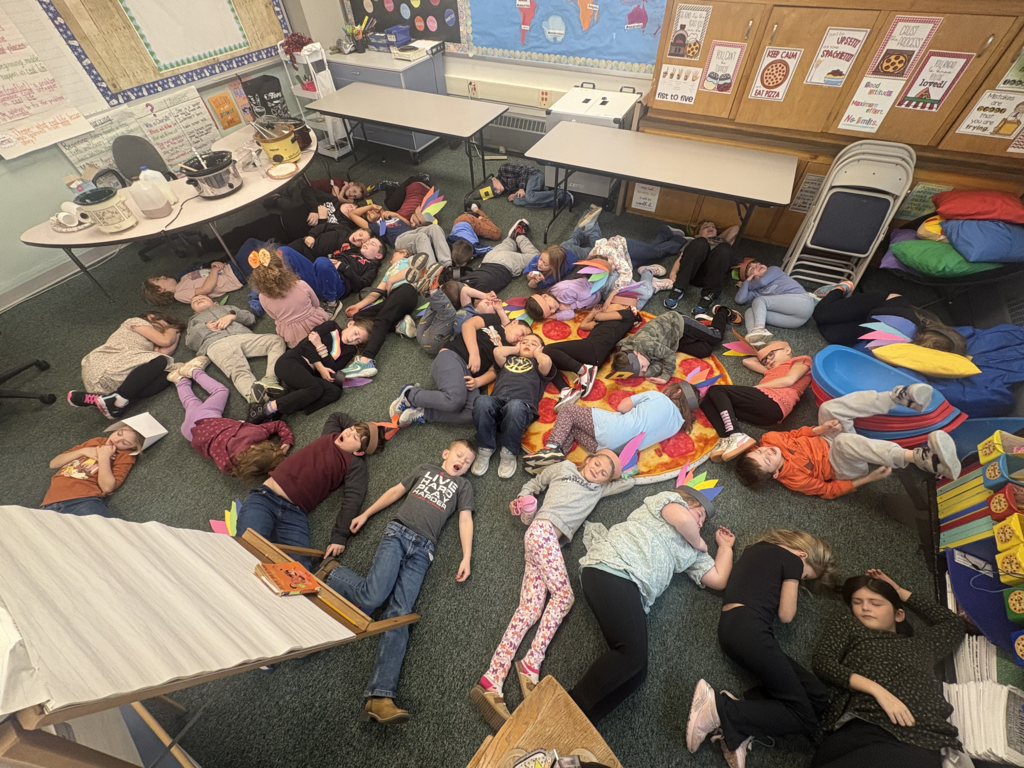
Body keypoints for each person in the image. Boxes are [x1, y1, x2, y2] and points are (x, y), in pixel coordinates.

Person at [317, 438, 477, 724]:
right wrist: (366, 514)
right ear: (445, 452)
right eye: (459, 455)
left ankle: (381, 696)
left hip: (424, 550)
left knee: (399, 617)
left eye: (468, 462)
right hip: (398, 534)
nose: (462, 462)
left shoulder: (463, 487)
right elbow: (395, 492)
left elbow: (465, 520)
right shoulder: (424, 469)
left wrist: (466, 556)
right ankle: (333, 572)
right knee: (371, 599)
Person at [470, 452, 634, 728]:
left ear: (607, 480)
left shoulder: (598, 490)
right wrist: (522, 499)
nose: (598, 470)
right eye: (597, 462)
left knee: (530, 608)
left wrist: (624, 470)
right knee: (564, 597)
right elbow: (536, 483)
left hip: (547, 543)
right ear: (586, 459)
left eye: (605, 471)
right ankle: (531, 662)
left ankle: (492, 678)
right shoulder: (565, 467)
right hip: (541, 531)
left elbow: (627, 483)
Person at [569, 490, 735, 723]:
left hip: (630, 587)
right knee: (632, 656)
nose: (699, 522)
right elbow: (683, 520)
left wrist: (725, 548)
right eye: (699, 514)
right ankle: (565, 709)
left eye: (703, 522)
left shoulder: (692, 551)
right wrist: (699, 541)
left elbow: (719, 579)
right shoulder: (666, 503)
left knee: (637, 674)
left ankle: (580, 724)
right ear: (686, 502)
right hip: (613, 566)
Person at [686, 529, 839, 767]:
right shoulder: (793, 561)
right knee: (805, 719)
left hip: (735, 630)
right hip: (750, 631)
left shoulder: (754, 550)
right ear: (802, 555)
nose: (802, 580)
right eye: (806, 576)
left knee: (818, 697)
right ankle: (721, 708)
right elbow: (786, 615)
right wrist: (795, 578)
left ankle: (738, 718)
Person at [811, 570, 967, 768]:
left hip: (922, 734)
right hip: (865, 722)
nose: (865, 608)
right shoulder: (850, 626)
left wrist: (900, 591)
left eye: (875, 603)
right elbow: (822, 662)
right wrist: (878, 690)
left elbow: (954, 624)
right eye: (857, 602)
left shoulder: (922, 644)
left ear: (899, 614)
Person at [735, 385, 962, 497]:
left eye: (760, 451)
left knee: (829, 408)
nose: (768, 452)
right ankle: (920, 458)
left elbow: (797, 434)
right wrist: (869, 478)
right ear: (775, 473)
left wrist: (821, 428)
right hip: (841, 466)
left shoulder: (769, 439)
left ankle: (899, 398)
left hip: (827, 436)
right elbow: (829, 489)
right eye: (767, 460)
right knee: (844, 443)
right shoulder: (793, 480)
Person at [235, 414, 386, 566]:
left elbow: (353, 498)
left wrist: (340, 536)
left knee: (300, 570)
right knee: (247, 550)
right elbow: (336, 417)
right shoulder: (330, 435)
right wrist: (364, 429)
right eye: (351, 429)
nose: (347, 433)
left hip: (295, 513)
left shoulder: (355, 464)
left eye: (354, 438)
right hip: (265, 498)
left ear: (359, 452)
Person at [524, 383, 696, 474]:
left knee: (568, 411)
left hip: (611, 428)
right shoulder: (677, 425)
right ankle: (555, 460)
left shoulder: (658, 396)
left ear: (678, 392)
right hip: (610, 453)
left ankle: (551, 448)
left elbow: (622, 407)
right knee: (574, 429)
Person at [393, 316, 533, 427]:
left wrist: (478, 381)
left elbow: (494, 371)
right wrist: (474, 353)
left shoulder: (508, 353)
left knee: (474, 412)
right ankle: (410, 394)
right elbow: (468, 325)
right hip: (453, 356)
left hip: (468, 376)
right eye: (522, 333)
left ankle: (425, 413)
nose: (520, 339)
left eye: (524, 340)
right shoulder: (495, 321)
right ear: (514, 323)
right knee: (454, 401)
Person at [170, 362, 294, 481]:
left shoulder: (254, 433)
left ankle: (194, 371)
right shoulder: (228, 466)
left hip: (204, 418)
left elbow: (279, 424)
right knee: (190, 402)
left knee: (220, 391)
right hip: (189, 433)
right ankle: (180, 381)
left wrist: (286, 442)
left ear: (254, 446)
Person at [700, 341, 811, 463]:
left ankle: (736, 434)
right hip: (766, 415)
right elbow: (747, 361)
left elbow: (789, 380)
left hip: (774, 401)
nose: (768, 361)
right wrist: (766, 359)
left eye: (771, 355)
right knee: (708, 401)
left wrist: (756, 388)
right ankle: (727, 438)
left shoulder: (801, 360)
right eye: (764, 361)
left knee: (717, 390)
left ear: (787, 350)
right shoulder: (770, 371)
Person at [247, 319, 373, 424]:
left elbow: (334, 367)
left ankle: (293, 404)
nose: (353, 339)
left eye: (358, 341)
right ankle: (264, 410)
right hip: (290, 362)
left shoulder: (349, 350)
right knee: (316, 389)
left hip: (306, 375)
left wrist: (319, 346)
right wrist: (320, 366)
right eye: (355, 333)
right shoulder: (331, 327)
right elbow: (306, 345)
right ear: (351, 324)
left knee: (335, 391)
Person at [68, 312, 189, 420]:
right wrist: (173, 328)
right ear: (151, 316)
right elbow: (165, 342)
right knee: (161, 362)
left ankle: (110, 401)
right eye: (164, 326)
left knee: (168, 375)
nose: (165, 330)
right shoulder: (134, 322)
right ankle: (119, 400)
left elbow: (161, 353)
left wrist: (176, 336)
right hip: (107, 362)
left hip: (112, 379)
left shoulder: (142, 351)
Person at [472, 334, 555, 479]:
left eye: (533, 343)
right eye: (524, 342)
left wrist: (537, 353)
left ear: (541, 349)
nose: (528, 344)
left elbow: (547, 361)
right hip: (497, 402)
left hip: (521, 407)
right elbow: (498, 352)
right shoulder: (508, 359)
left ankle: (509, 451)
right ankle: (485, 447)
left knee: (515, 406)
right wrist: (516, 349)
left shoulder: (539, 365)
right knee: (482, 401)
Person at [341, 250, 427, 378]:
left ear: (404, 253)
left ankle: (366, 361)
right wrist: (359, 306)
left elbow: (416, 270)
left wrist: (392, 280)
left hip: (406, 291)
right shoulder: (388, 272)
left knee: (381, 320)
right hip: (392, 298)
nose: (391, 260)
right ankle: (398, 323)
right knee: (359, 317)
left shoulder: (407, 260)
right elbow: (376, 293)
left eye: (393, 255)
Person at [184, 295, 285, 404]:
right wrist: (205, 328)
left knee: (276, 340)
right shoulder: (194, 320)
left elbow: (250, 318)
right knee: (237, 369)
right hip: (216, 344)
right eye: (194, 301)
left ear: (215, 303)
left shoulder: (227, 308)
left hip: (243, 336)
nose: (198, 299)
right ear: (195, 313)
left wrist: (232, 316)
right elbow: (190, 342)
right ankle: (253, 395)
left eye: (202, 298)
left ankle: (270, 379)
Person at [812, 288, 968, 353]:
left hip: (873, 322)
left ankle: (842, 309)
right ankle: (839, 289)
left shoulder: (910, 343)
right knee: (821, 315)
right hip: (879, 303)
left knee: (832, 335)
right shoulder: (903, 327)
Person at [40, 423, 146, 516]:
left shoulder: (125, 455)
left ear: (132, 448)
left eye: (124, 443)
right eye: (119, 433)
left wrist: (104, 457)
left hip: (82, 500)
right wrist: (83, 451)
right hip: (49, 503)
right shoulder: (97, 441)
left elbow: (107, 487)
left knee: (107, 535)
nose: (116, 440)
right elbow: (53, 463)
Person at [608, 306, 733, 384]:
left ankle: (722, 311)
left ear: (635, 353)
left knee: (716, 336)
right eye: (642, 371)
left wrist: (665, 376)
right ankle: (702, 327)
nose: (645, 370)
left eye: (642, 367)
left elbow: (669, 355)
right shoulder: (636, 356)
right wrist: (647, 372)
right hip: (673, 340)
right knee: (705, 350)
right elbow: (656, 365)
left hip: (679, 323)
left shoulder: (646, 345)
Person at [663, 220, 741, 315]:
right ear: (697, 234)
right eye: (705, 227)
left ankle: (709, 296)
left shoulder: (721, 243)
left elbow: (735, 228)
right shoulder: (694, 241)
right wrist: (673, 273)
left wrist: (716, 238)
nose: (710, 228)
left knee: (725, 248)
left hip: (714, 275)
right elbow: (681, 258)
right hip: (693, 273)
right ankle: (678, 288)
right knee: (700, 243)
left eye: (713, 227)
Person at [734, 259, 816, 346]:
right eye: (752, 268)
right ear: (750, 278)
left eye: (758, 263)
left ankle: (759, 328)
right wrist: (746, 283)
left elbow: (762, 282)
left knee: (759, 300)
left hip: (803, 302)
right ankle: (754, 339)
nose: (757, 265)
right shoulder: (756, 292)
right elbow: (740, 300)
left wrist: (747, 285)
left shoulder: (773, 269)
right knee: (750, 311)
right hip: (797, 321)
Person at [414, 284, 503, 356]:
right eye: (490, 300)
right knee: (435, 307)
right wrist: (486, 295)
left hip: (436, 342)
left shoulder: (480, 323)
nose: (490, 301)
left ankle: (433, 288)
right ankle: (424, 284)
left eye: (493, 305)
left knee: (449, 312)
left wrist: (499, 310)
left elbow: (505, 326)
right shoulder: (468, 307)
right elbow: (464, 291)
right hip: (424, 332)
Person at [143, 261, 242, 306]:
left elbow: (204, 273)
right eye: (157, 279)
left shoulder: (184, 278)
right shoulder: (179, 294)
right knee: (252, 244)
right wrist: (214, 270)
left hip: (229, 267)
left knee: (251, 244)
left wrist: (214, 265)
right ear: (159, 290)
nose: (163, 276)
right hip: (233, 277)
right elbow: (205, 289)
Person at [491, 161, 571, 208]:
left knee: (530, 197)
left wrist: (521, 188)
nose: (498, 191)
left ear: (494, 179)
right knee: (517, 200)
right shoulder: (505, 188)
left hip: (534, 175)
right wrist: (516, 193)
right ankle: (552, 202)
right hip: (530, 188)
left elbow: (523, 170)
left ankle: (561, 194)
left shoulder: (503, 169)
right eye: (496, 193)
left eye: (495, 188)